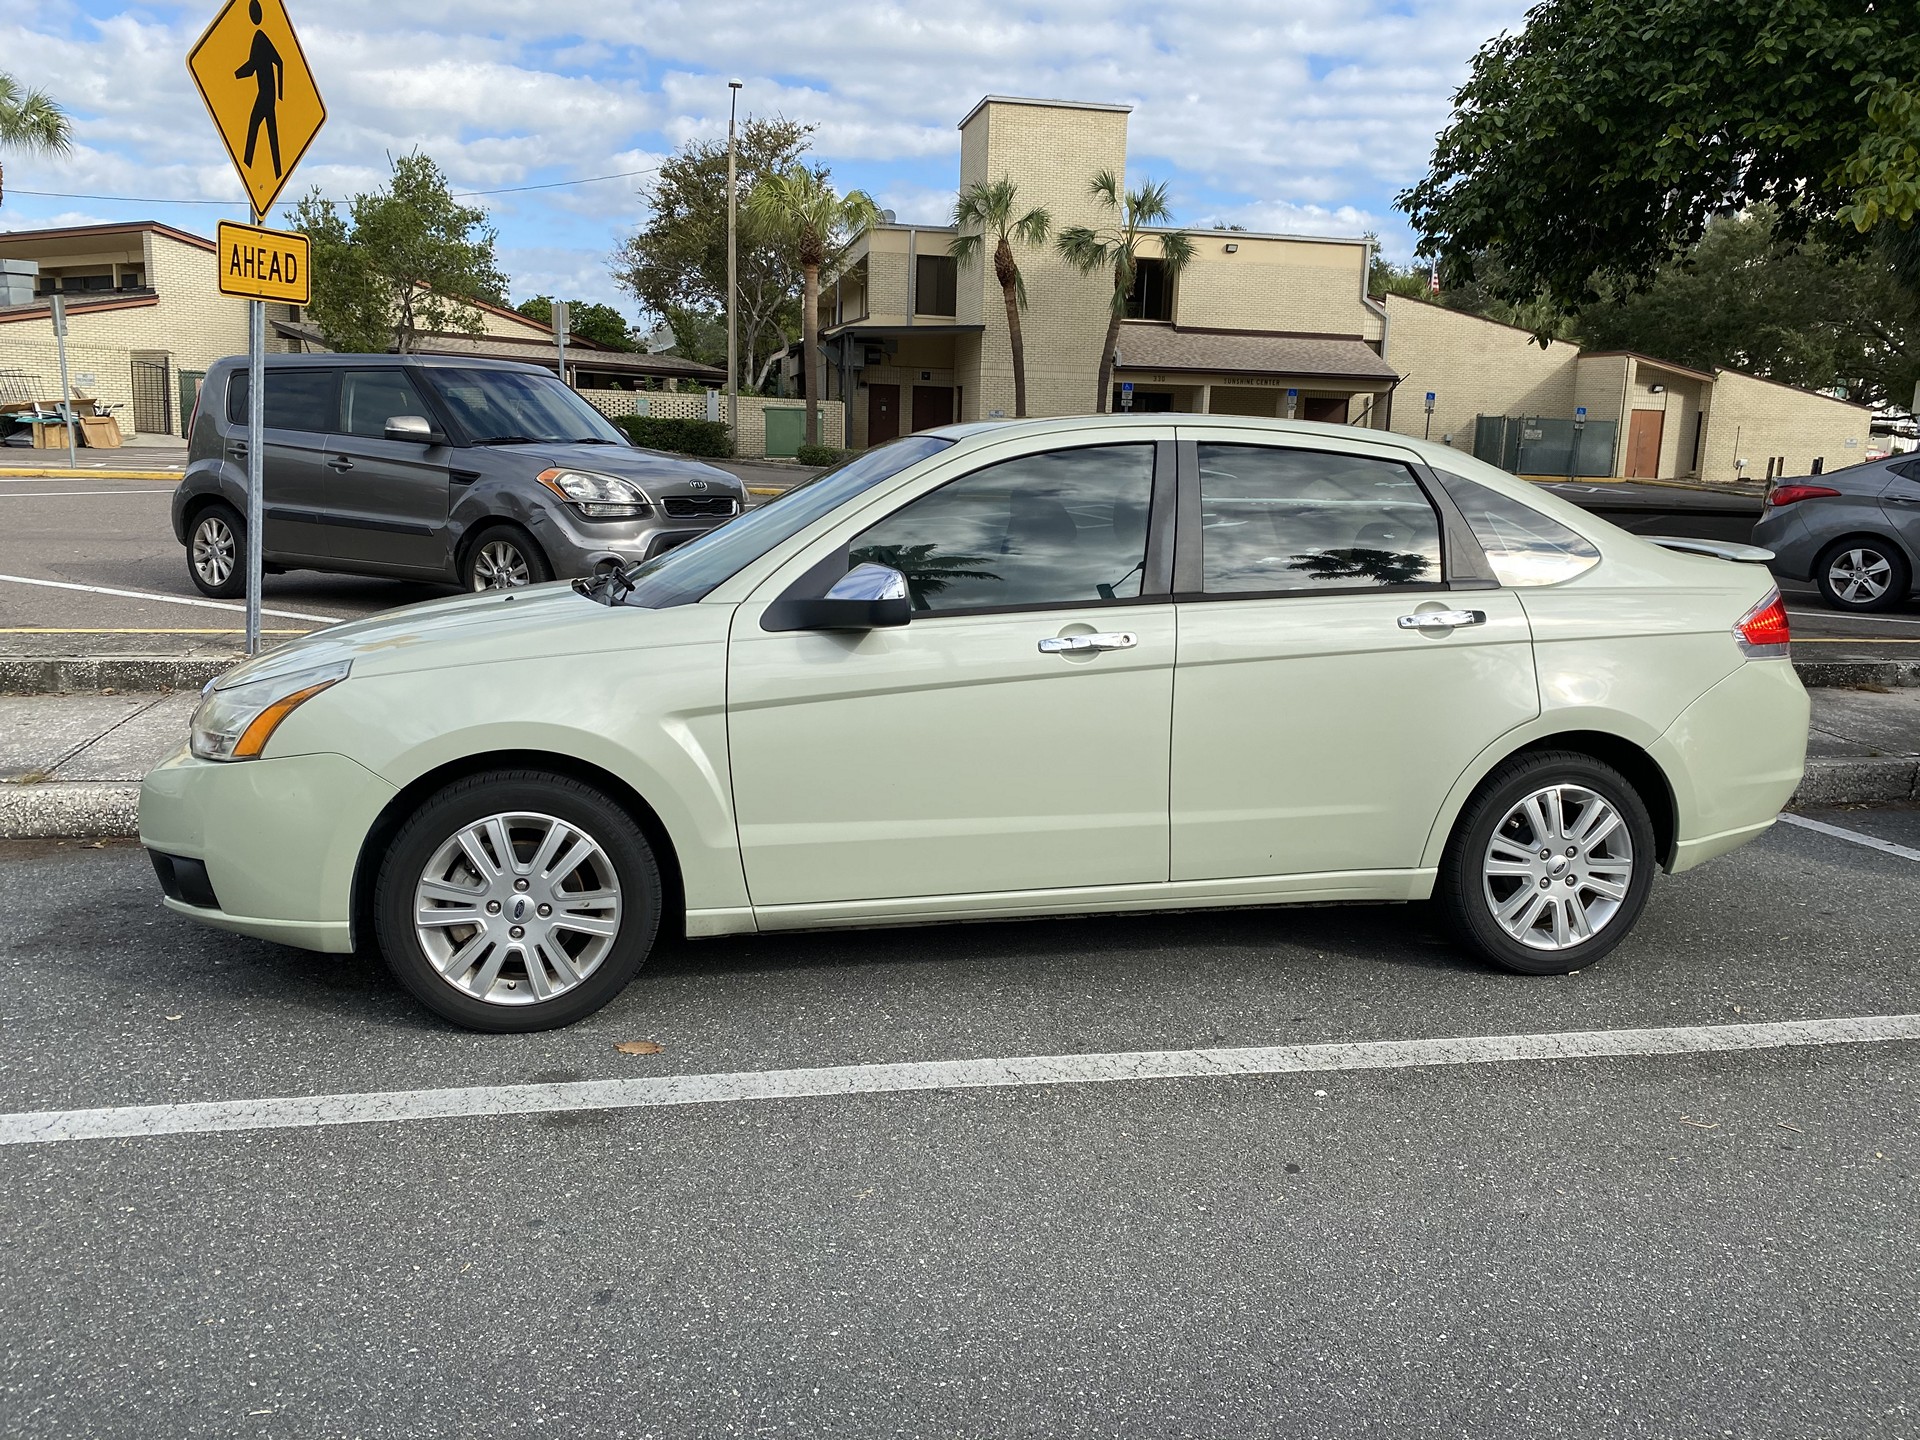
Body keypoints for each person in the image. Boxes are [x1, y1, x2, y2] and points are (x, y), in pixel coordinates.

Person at [234, 0, 284, 177]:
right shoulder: (261, 37)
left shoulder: (259, 38)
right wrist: (278, 93)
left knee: (254, 127)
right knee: (271, 135)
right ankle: (277, 171)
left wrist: (234, 75)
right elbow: (278, 62)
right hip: (268, 94)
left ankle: (249, 164)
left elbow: (253, 67)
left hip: (265, 94)